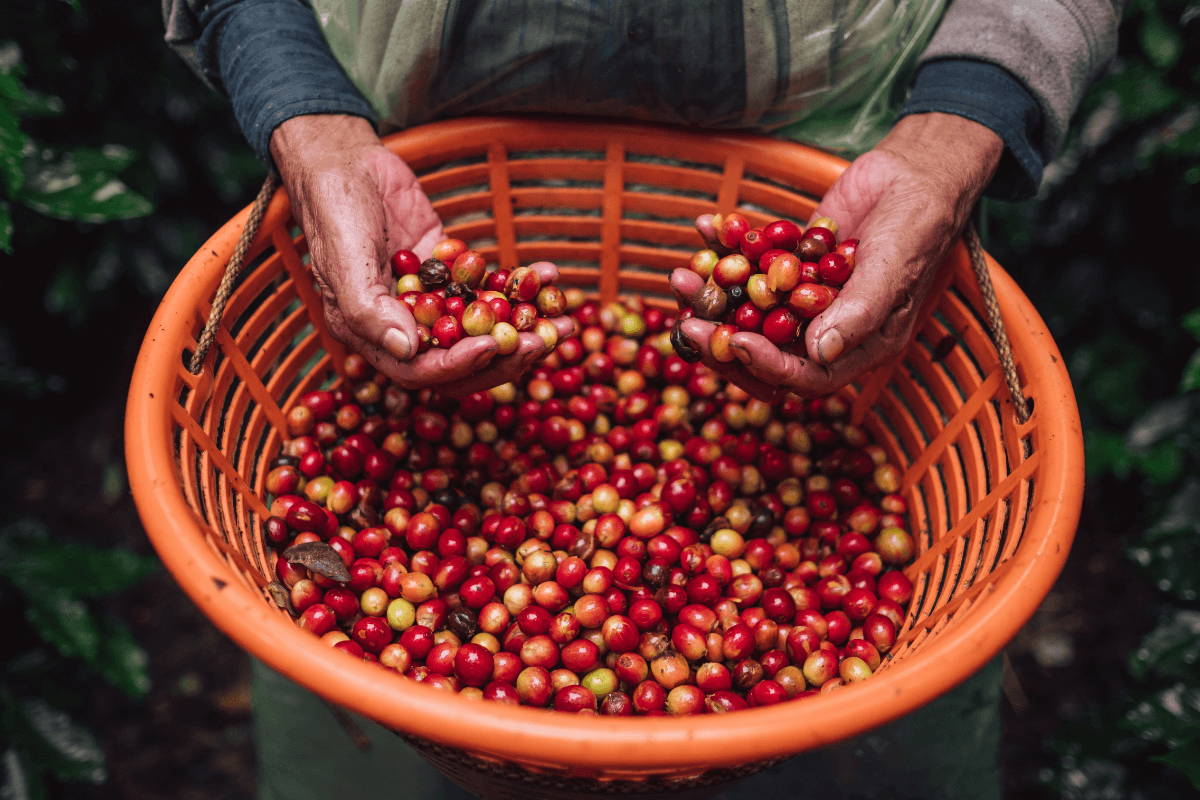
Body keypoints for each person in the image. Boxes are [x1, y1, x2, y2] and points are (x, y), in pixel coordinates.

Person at [162, 2, 1122, 798]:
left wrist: (964, 117)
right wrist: (302, 106)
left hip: (866, 163)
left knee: (856, 757)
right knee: (366, 732)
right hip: (388, 152)